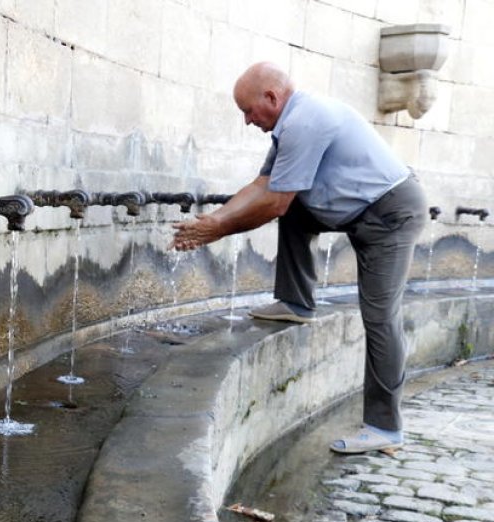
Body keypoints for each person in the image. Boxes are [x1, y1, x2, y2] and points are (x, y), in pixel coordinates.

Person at [171, 62, 426, 454]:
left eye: (248, 111)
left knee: (379, 316)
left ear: (271, 98)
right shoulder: (290, 124)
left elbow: (274, 203)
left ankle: (385, 426)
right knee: (293, 206)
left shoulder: (306, 121)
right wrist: (216, 219)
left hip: (391, 215)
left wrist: (219, 231)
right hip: (359, 211)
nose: (246, 121)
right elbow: (261, 185)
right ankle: (295, 301)